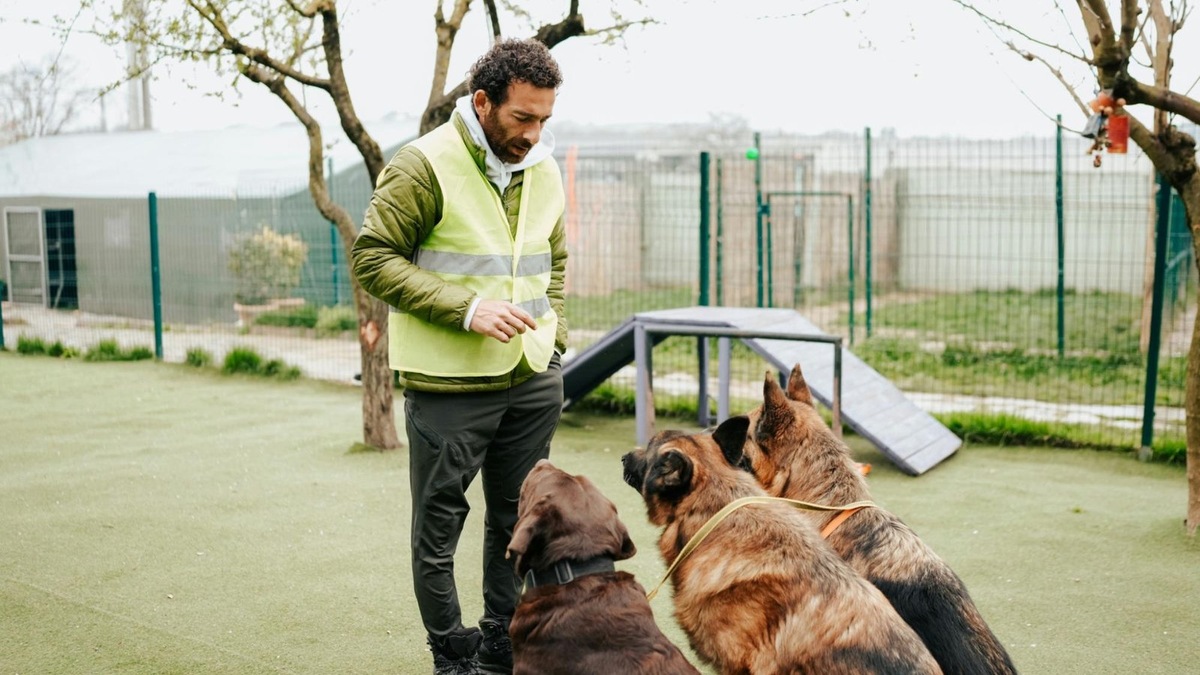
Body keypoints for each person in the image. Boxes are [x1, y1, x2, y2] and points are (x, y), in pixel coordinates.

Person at [351, 38, 567, 675]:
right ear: (482, 101)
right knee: (438, 529)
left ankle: (501, 644)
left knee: (517, 521)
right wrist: (468, 309)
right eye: (522, 118)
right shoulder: (422, 165)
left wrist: (552, 338)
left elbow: (553, 262)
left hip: (531, 379)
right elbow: (372, 258)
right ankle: (452, 653)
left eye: (544, 120)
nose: (533, 133)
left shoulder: (545, 167)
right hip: (449, 387)